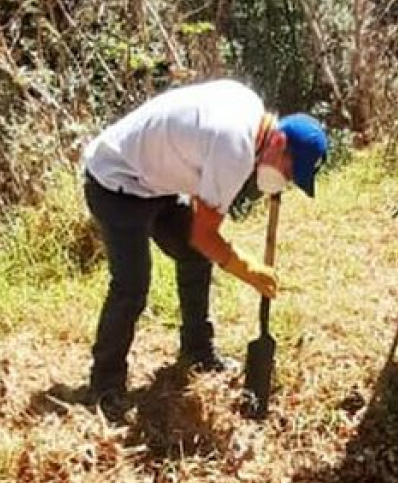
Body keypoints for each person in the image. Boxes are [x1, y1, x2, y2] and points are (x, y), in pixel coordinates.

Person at [81, 78, 328, 414]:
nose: (284, 181)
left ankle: (198, 350)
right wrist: (247, 268)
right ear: (279, 141)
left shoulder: (249, 108)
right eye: (288, 171)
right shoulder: (236, 148)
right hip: (115, 180)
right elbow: (204, 234)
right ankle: (104, 386)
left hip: (157, 182)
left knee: (194, 256)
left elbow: (200, 189)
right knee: (132, 284)